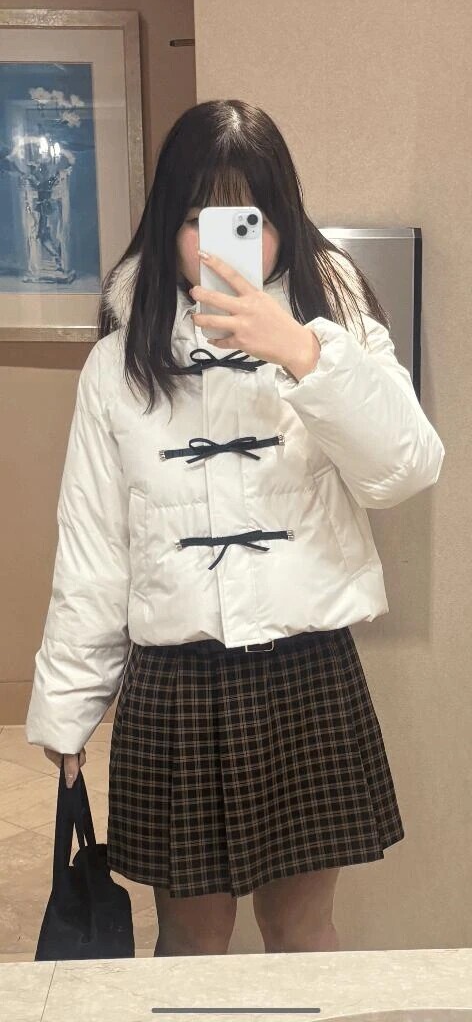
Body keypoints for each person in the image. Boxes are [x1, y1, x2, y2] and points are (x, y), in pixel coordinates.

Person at [25, 99, 445, 957]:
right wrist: (67, 710)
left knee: (301, 929)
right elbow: (94, 551)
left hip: (306, 672)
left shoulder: (334, 332)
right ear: (165, 224)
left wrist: (305, 356)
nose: (220, 246)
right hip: (176, 686)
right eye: (197, 219)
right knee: (190, 938)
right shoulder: (118, 364)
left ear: (283, 220)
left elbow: (406, 469)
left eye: (248, 221)